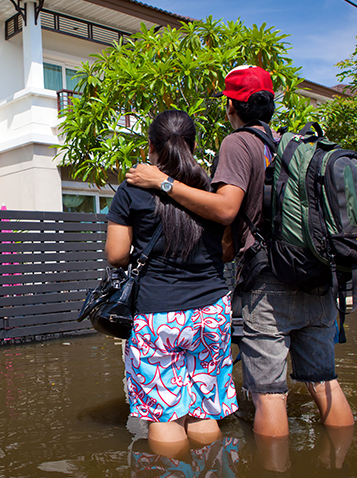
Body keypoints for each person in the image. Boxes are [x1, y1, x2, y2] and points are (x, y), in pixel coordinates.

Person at [126, 66, 354, 465]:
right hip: (316, 276)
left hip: (271, 281)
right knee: (324, 382)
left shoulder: (239, 143)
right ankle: (343, 463)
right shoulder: (290, 145)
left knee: (269, 393)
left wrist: (162, 183)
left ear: (233, 105)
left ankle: (272, 471)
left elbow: (227, 209)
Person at [105, 110, 237, 458]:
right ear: (192, 145)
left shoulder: (132, 190)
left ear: (151, 146)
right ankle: (210, 466)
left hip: (158, 314)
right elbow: (227, 250)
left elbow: (116, 255)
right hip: (212, 311)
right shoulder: (211, 190)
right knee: (204, 411)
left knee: (165, 416)